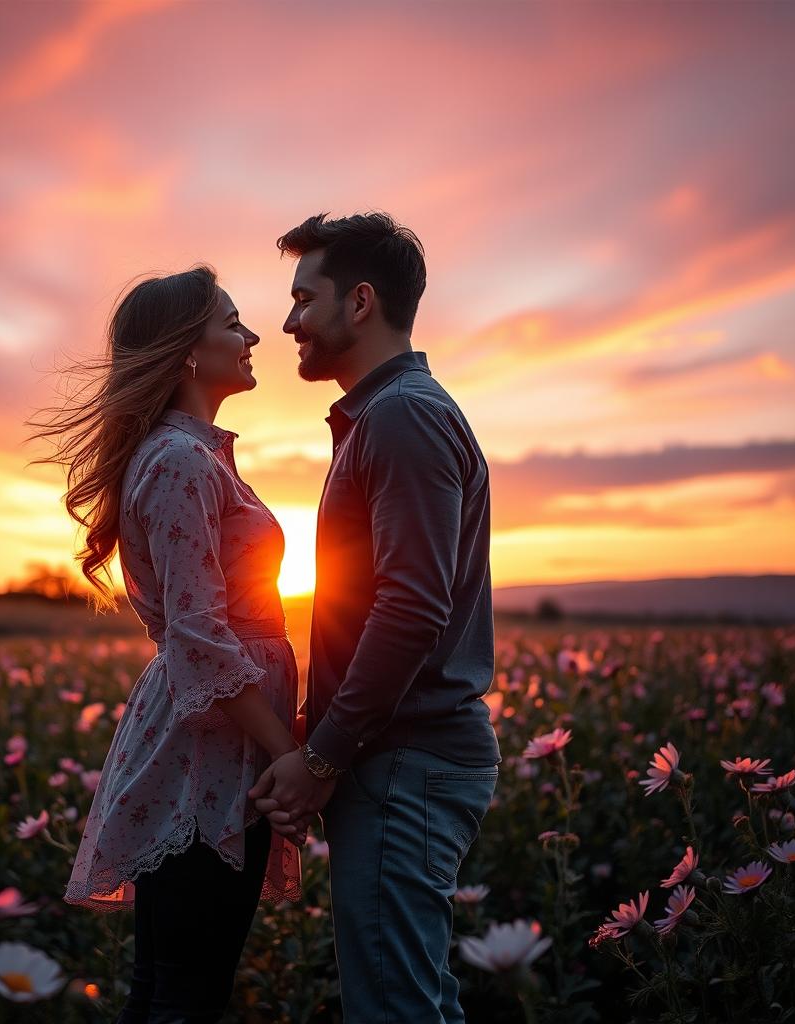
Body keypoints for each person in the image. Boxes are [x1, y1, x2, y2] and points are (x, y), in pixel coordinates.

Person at [29, 266, 304, 1023]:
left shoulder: (193, 455)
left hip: (215, 745)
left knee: (171, 988)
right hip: (205, 755)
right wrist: (290, 752)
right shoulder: (180, 460)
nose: (251, 338)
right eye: (232, 323)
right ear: (188, 350)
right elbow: (199, 637)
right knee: (185, 993)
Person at [249, 212, 503, 1024]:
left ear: (359, 303)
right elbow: (379, 608)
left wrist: (321, 757)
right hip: (398, 760)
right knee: (414, 1001)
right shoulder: (383, 416)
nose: (287, 322)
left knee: (395, 1011)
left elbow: (411, 608)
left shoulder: (401, 418)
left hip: (407, 763)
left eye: (302, 298)